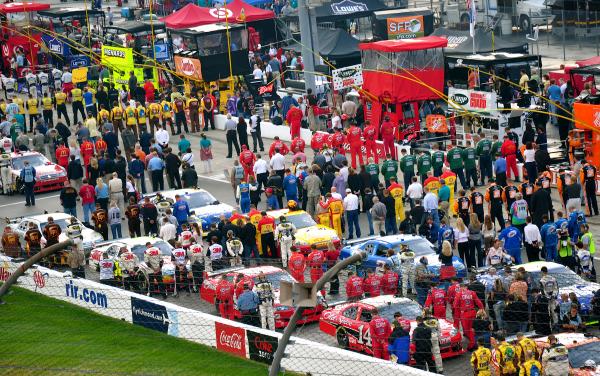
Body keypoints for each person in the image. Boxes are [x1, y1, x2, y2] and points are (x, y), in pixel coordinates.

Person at [454, 285, 484, 350]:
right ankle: (475, 342)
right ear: (466, 287)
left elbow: (455, 305)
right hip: (472, 312)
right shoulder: (472, 292)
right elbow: (478, 302)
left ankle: (472, 345)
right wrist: (481, 308)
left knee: (467, 330)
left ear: (461, 287)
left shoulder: (459, 294)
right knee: (472, 328)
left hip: (465, 314)